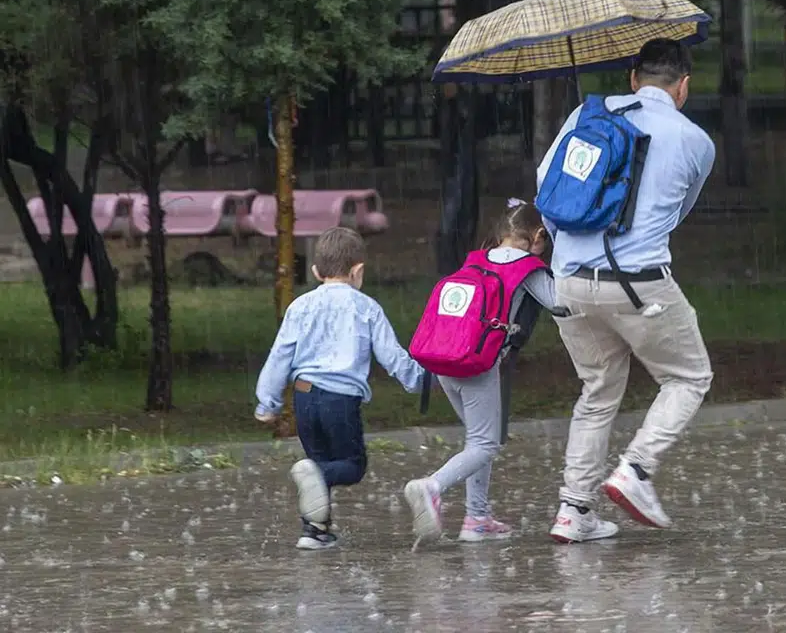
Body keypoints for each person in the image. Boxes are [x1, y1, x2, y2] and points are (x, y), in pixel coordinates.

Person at [535, 38, 716, 543]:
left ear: (633, 79)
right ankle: (636, 470)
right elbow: (678, 213)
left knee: (597, 392)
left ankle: (573, 510)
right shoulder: (696, 140)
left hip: (569, 281)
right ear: (683, 87)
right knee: (688, 377)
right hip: (638, 284)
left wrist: (570, 247)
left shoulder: (586, 116)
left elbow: (546, 188)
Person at [253, 226, 428, 550]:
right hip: (340, 399)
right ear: (358, 271)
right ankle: (316, 494)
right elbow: (391, 355)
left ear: (316, 271)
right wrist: (419, 380)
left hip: (304, 395)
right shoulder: (366, 308)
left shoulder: (300, 306)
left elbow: (279, 356)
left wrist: (268, 403)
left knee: (317, 463)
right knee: (351, 465)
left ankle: (314, 531)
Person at [402, 199, 560, 543]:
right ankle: (432, 487)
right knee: (485, 444)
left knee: (477, 440)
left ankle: (477, 518)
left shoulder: (476, 259)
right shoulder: (527, 267)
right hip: (478, 365)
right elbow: (560, 303)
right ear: (537, 235)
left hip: (446, 360)